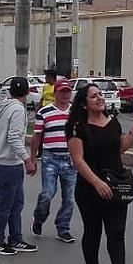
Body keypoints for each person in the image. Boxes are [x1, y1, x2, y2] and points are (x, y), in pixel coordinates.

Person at [67, 84, 133, 264]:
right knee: (93, 232)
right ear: (84, 103)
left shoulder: (112, 121)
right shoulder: (77, 127)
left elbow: (117, 148)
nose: (99, 98)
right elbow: (78, 160)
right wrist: (97, 183)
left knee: (117, 232)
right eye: (93, 96)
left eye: (100, 94)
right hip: (90, 189)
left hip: (116, 187)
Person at [0, 76, 38, 255]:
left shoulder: (5, 107)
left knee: (15, 203)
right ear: (27, 92)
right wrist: (27, 159)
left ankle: (15, 238)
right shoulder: (17, 110)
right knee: (6, 204)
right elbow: (14, 137)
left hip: (4, 162)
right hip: (9, 164)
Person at [30, 78, 77, 243]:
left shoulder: (75, 112)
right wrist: (32, 158)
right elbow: (37, 136)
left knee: (69, 198)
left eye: (68, 91)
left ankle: (63, 228)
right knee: (48, 193)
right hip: (51, 158)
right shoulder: (44, 112)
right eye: (62, 91)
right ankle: (39, 217)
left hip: (70, 160)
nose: (65, 95)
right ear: (55, 92)